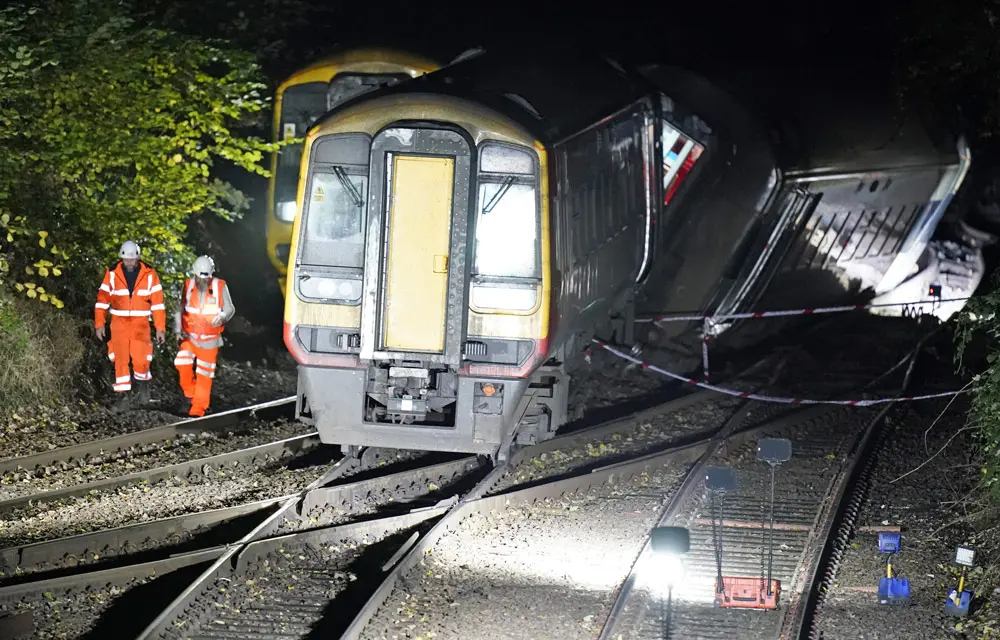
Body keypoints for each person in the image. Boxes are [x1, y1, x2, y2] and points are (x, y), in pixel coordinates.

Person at [94, 240, 166, 412]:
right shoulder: (112, 273)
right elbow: (102, 300)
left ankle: (143, 389)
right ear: (122, 259)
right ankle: (122, 398)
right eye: (127, 260)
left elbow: (157, 304)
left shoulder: (149, 274)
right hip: (118, 323)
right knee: (120, 359)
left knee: (141, 359)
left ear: (138, 258)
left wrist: (160, 328)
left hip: (141, 324)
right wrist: (99, 324)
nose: (130, 263)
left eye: (133, 260)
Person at [174, 255, 235, 417]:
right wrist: (178, 329)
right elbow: (181, 308)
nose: (203, 281)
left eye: (206, 278)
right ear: (194, 274)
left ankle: (197, 410)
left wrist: (222, 316)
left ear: (211, 274)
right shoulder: (188, 285)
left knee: (204, 374)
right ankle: (190, 393)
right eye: (200, 278)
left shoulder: (220, 286)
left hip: (210, 340)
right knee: (181, 363)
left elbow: (230, 309)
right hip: (190, 337)